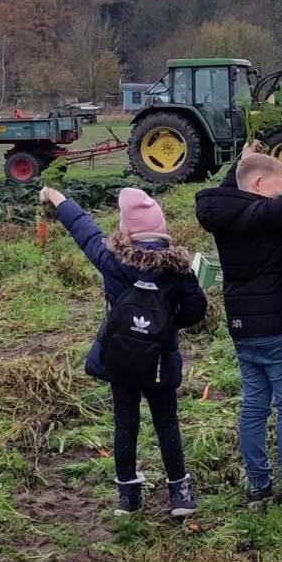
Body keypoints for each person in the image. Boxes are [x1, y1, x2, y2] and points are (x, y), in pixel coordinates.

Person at [39, 183, 207, 519]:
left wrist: (57, 198)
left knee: (125, 422)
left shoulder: (111, 260)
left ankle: (127, 497)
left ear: (126, 230)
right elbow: (196, 310)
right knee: (167, 421)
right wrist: (167, 324)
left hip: (120, 359)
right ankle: (180, 494)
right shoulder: (178, 271)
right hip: (161, 359)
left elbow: (83, 229)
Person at [195, 113, 282, 509]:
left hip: (242, 326)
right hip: (278, 324)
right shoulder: (264, 214)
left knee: (254, 404)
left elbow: (231, 191)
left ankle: (258, 484)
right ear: (258, 185)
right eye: (277, 185)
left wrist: (242, 159)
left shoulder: (221, 215)